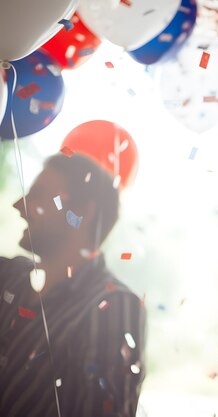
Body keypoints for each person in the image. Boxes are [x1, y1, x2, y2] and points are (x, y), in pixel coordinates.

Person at [0, 152, 146, 417]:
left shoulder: (112, 304)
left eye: (37, 194)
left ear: (81, 213)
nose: (18, 204)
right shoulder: (9, 276)